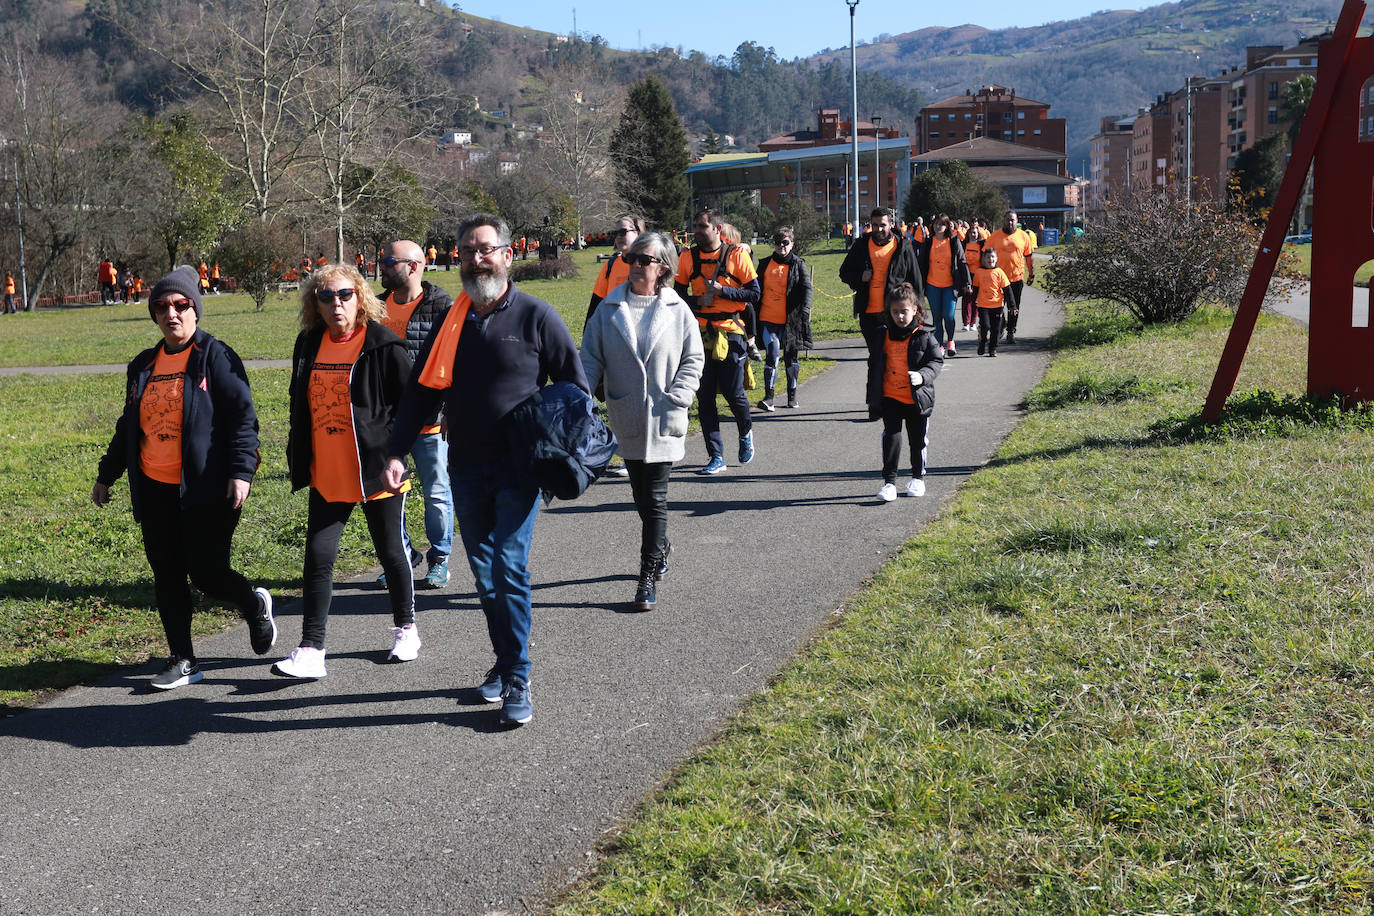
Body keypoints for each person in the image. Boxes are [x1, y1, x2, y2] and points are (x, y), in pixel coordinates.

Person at [383, 213, 587, 727]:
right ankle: (505, 660)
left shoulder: (539, 317)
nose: (477, 259)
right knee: (485, 574)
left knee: (509, 568)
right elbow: (421, 394)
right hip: (466, 467)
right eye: (468, 251)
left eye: (486, 249)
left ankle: (518, 675)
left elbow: (575, 389)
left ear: (507, 255)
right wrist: (394, 451)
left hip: (522, 469)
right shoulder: (453, 324)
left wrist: (556, 440)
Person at [92, 266, 275, 689]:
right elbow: (129, 425)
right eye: (161, 307)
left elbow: (243, 419)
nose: (170, 314)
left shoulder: (216, 356)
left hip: (206, 485)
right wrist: (108, 474)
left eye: (180, 305)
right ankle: (183, 660)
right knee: (168, 574)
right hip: (155, 487)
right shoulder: (143, 365)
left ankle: (252, 603)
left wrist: (242, 471)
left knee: (208, 573)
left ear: (195, 308)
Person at [276, 263, 417, 679]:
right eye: (326, 297)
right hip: (328, 469)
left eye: (344, 295)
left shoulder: (382, 345)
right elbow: (298, 403)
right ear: (314, 305)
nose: (336, 304)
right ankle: (311, 650)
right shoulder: (309, 343)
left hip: (377, 469)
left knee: (391, 552)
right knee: (318, 558)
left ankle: (406, 629)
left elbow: (408, 408)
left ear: (360, 298)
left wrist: (397, 456)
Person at [580, 232, 703, 611]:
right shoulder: (609, 309)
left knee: (655, 500)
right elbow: (589, 359)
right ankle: (661, 545)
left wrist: (679, 395)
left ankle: (646, 576)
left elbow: (693, 359)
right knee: (641, 498)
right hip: (627, 416)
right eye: (632, 257)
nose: (635, 264)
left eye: (644, 259)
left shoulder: (678, 310)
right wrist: (581, 397)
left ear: (663, 267)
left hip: (665, 416)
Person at [377, 239, 455, 589]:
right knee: (390, 493)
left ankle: (439, 559)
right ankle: (403, 555)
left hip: (428, 418)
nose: (381, 265)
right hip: (385, 422)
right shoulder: (374, 306)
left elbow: (455, 361)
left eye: (388, 260)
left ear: (413, 266)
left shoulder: (442, 305)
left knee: (437, 492)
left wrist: (451, 408)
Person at [674, 208, 760, 475]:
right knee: (705, 396)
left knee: (735, 394)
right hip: (699, 332)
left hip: (731, 331)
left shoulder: (737, 255)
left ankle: (745, 432)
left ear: (717, 230)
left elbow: (754, 294)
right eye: (696, 226)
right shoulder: (688, 257)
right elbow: (676, 294)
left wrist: (724, 291)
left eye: (702, 226)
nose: (697, 231)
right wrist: (697, 301)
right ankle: (716, 457)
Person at [839, 207, 921, 420]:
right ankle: (875, 404)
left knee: (897, 359)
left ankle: (900, 399)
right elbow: (844, 272)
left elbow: (915, 278)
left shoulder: (902, 246)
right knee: (876, 359)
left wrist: (917, 309)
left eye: (883, 225)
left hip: (896, 315)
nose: (878, 229)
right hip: (870, 314)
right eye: (875, 225)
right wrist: (860, 278)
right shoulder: (861, 245)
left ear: (891, 224)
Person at [869, 282, 942, 503]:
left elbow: (937, 361)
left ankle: (917, 478)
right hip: (890, 398)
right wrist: (872, 398)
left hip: (917, 400)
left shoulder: (925, 335)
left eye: (904, 311)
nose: (900, 316)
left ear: (915, 310)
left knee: (917, 440)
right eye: (895, 312)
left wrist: (922, 376)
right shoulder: (882, 335)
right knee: (891, 439)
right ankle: (889, 482)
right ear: (888, 312)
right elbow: (874, 367)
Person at [754, 227, 813, 411]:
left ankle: (792, 397)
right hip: (767, 318)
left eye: (785, 242)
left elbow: (807, 288)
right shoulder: (764, 264)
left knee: (791, 359)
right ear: (774, 245)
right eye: (778, 243)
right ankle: (768, 398)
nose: (782, 246)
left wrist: (805, 308)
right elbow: (755, 289)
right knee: (772, 353)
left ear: (792, 244)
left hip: (791, 320)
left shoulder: (798, 264)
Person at [918, 215, 970, 358]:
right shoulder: (928, 242)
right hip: (932, 284)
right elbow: (921, 264)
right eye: (936, 223)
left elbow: (962, 262)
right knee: (937, 317)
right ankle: (939, 345)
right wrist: (918, 284)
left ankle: (951, 341)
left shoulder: (953, 241)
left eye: (941, 224)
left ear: (947, 226)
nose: (938, 226)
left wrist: (967, 282)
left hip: (950, 285)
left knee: (948, 315)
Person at [985, 210, 1036, 346]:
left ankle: (1011, 332)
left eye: (1013, 219)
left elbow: (1029, 257)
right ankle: (1001, 325)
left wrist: (1031, 274)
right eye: (1008, 219)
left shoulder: (1023, 236)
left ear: (1017, 221)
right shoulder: (994, 236)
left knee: (1014, 307)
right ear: (1004, 220)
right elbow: (985, 256)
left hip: (1016, 278)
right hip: (998, 278)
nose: (1010, 222)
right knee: (997, 307)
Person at [585, 213, 643, 326]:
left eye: (623, 232)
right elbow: (595, 305)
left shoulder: (649, 264)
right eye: (615, 234)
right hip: (612, 333)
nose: (618, 237)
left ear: (637, 233)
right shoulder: (610, 265)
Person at [972, 246, 1013, 358]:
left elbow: (1007, 290)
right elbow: (975, 289)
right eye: (988, 257)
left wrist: (1012, 306)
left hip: (997, 305)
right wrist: (972, 303)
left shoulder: (999, 272)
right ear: (984, 259)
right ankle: (982, 341)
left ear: (996, 258)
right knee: (985, 325)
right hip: (983, 305)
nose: (990, 259)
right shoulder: (979, 272)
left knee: (996, 329)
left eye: (993, 257)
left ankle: (993, 349)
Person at [960, 223, 986, 331]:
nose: (973, 235)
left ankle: (973, 323)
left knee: (975, 300)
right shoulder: (964, 244)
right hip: (966, 275)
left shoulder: (981, 245)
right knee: (966, 299)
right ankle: (966, 323)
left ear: (978, 234)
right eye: (971, 233)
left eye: (974, 233)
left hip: (978, 275)